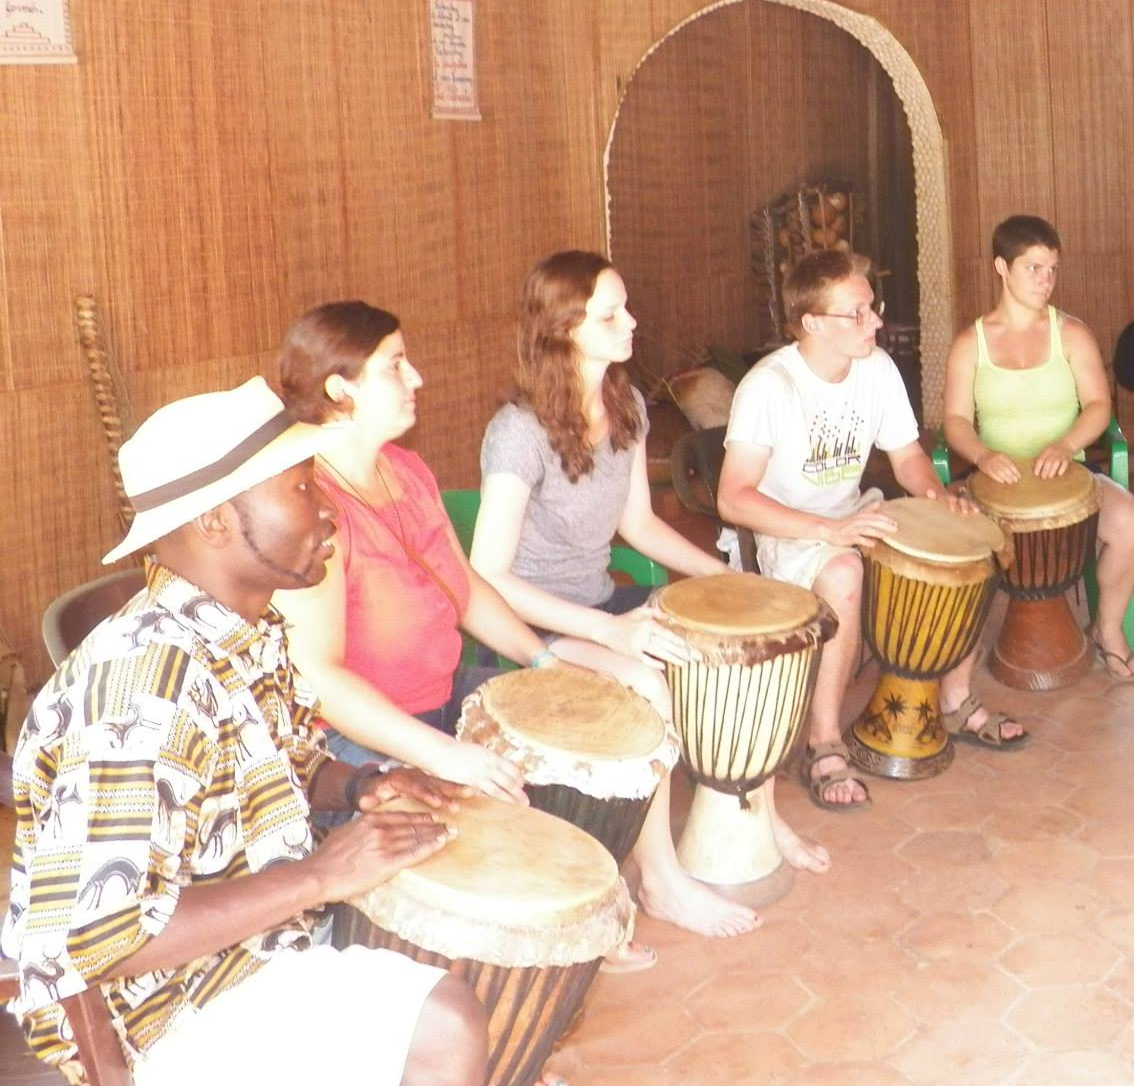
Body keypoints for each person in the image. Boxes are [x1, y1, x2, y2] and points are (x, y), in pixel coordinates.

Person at [4, 379, 486, 1086]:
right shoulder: (146, 689)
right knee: (446, 1022)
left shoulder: (244, 630)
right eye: (301, 488)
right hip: (153, 1013)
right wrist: (321, 875)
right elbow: (105, 940)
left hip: (249, 942)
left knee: (449, 953)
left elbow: (278, 757)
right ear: (214, 522)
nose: (328, 511)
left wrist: (361, 785)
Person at [270, 300, 752, 955]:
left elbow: (466, 590)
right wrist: (443, 755)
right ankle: (540, 941)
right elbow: (319, 678)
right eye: (396, 366)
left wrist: (545, 663)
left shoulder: (405, 471)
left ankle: (652, 882)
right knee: (473, 839)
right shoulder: (313, 506)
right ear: (339, 388)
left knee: (609, 702)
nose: (417, 379)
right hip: (356, 742)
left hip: (444, 694)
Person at [468, 253, 824, 934]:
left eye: (625, 308)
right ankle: (661, 878)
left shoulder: (625, 404)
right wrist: (608, 632)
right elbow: (488, 575)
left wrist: (724, 577)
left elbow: (639, 525)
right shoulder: (518, 432)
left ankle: (761, 819)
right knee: (648, 682)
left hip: (599, 604)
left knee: (735, 650)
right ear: (563, 331)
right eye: (610, 316)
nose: (631, 322)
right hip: (528, 625)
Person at [718, 248, 1028, 812]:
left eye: (872, 308)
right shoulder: (769, 386)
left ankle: (955, 698)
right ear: (812, 322)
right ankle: (823, 742)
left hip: (855, 512)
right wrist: (830, 531)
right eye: (857, 313)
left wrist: (939, 500)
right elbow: (734, 497)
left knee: (965, 542)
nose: (876, 322)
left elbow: (908, 458)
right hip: (786, 528)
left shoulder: (877, 368)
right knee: (842, 570)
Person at [941, 216, 1134, 682]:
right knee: (948, 543)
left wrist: (1066, 445)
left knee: (1130, 523)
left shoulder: (1071, 333)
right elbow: (955, 421)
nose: (1045, 280)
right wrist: (983, 456)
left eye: (1052, 269)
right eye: (1033, 268)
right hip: (994, 483)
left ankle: (1108, 630)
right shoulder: (970, 344)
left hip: (1068, 477)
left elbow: (1099, 405)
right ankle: (959, 663)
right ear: (1001, 267)